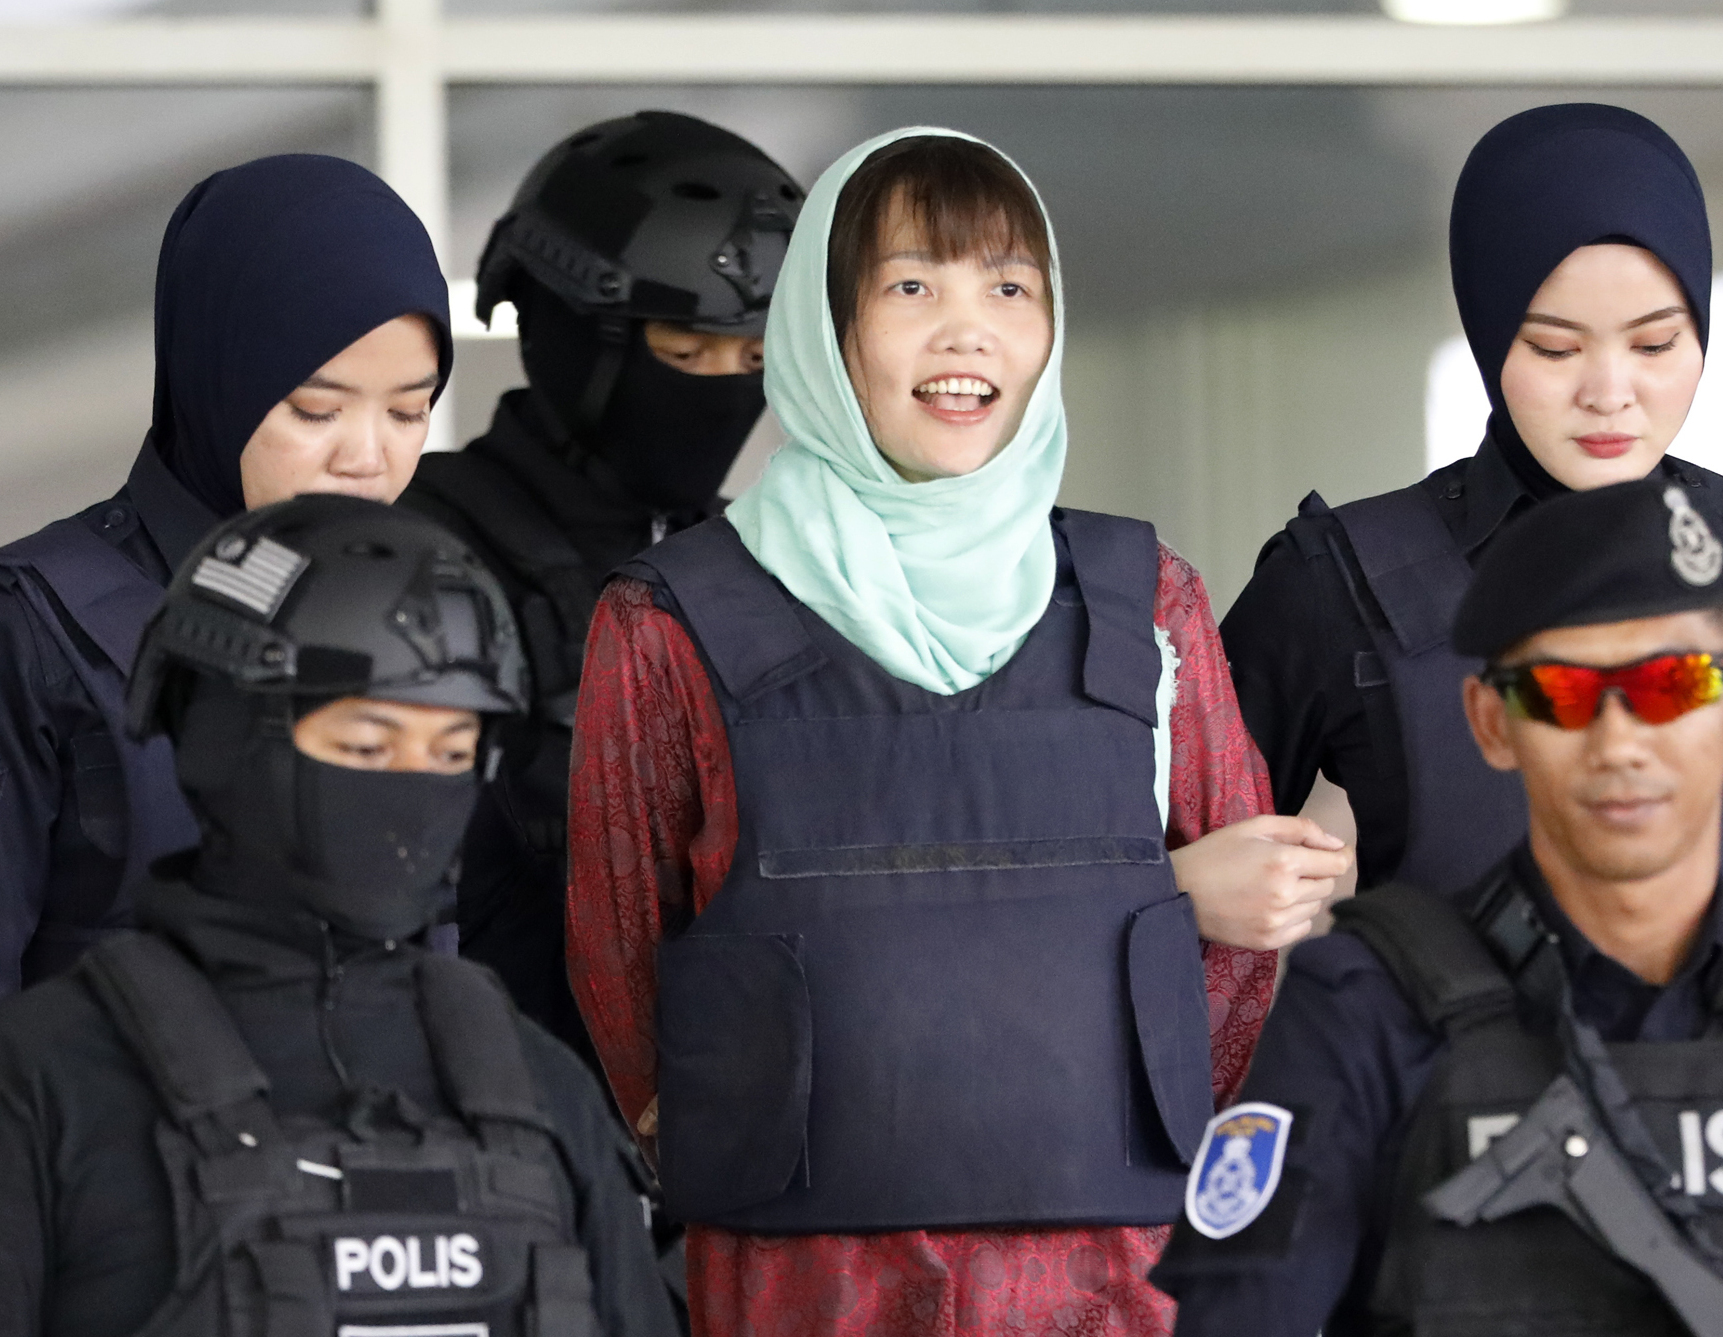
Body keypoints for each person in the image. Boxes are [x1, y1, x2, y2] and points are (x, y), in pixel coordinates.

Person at [566, 126, 1352, 1337]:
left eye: (1006, 286)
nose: (964, 328)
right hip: (810, 1288)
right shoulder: (670, 620)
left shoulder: (1149, 602)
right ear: (827, 334)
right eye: (910, 286)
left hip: (1115, 1281)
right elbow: (620, 955)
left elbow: (1241, 970)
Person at [1153, 479, 1723, 1337]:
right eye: (1563, 692)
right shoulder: (1361, 1019)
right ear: (1491, 721)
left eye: (1671, 683)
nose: (1619, 740)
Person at [0, 494, 680, 1337]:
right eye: (366, 746)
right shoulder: (47, 1077)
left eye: (451, 753)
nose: (411, 789)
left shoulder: (536, 1084)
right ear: (223, 735)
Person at [1218, 103, 1723, 948]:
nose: (1609, 392)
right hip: (1446, 1075)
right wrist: (1192, 890)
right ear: (1489, 338)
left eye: (1656, 344)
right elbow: (1161, 871)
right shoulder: (1339, 580)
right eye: (1556, 349)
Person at [401, 111, 803, 1064]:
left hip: (736, 1148)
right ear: (564, 326)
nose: (722, 390)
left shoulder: (777, 565)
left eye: (754, 358)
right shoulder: (415, 550)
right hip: (500, 1128)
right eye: (685, 351)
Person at [0, 154, 451, 994]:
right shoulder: (36, 629)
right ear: (217, 381)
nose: (367, 458)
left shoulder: (428, 624)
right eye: (316, 409)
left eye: (408, 410)